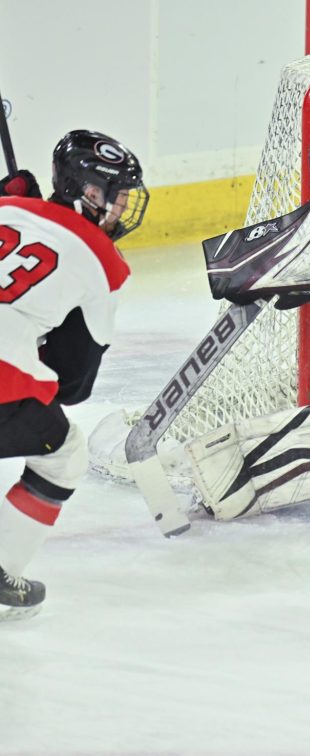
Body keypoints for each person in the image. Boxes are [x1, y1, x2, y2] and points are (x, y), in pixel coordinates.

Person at [0, 130, 148, 618]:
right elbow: (72, 384)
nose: (121, 210)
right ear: (88, 193)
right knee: (63, 454)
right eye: (116, 197)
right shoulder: (102, 260)